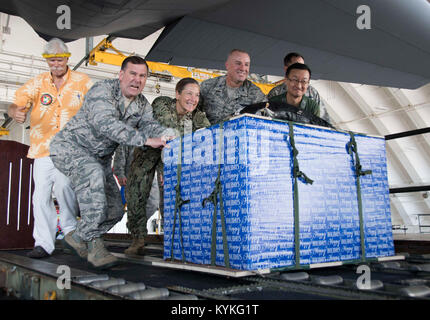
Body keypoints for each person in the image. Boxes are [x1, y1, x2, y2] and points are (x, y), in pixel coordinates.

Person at [49, 56, 176, 269]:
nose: (137, 80)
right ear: (121, 75)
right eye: (132, 74)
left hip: (99, 159)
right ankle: (95, 246)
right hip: (71, 149)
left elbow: (149, 125)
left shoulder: (142, 104)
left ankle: (78, 237)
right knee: (93, 176)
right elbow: (106, 124)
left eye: (142, 76)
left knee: (115, 210)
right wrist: (146, 140)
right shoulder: (103, 91)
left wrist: (167, 135)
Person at [7, 38, 92, 259]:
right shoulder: (37, 83)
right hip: (42, 149)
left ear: (67, 59)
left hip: (70, 150)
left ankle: (71, 233)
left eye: (60, 59)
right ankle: (44, 244)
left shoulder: (83, 82)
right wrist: (14, 111)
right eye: (52, 60)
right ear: (47, 61)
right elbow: (16, 103)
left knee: (65, 189)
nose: (56, 64)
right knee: (40, 196)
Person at [125, 77, 211, 255]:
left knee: (171, 196)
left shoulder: (198, 117)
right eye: (189, 93)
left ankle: (172, 238)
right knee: (137, 194)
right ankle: (138, 238)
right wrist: (168, 167)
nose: (193, 99)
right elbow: (169, 132)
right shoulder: (162, 104)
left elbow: (208, 139)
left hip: (171, 161)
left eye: (197, 95)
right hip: (146, 154)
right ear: (177, 94)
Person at [199, 49, 267, 125]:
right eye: (238, 63)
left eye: (246, 64)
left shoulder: (256, 93)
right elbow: (190, 114)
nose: (243, 68)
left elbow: (266, 121)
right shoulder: (208, 86)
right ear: (227, 65)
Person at [267, 52, 331, 123]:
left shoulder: (313, 94)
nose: (299, 85)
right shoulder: (275, 94)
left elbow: (323, 121)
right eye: (296, 66)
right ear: (286, 70)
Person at [112, 145, 160, 217]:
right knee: (134, 205)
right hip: (132, 177)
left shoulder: (152, 137)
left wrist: (160, 172)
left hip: (149, 176)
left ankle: (137, 224)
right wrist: (120, 175)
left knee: (153, 204)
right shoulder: (127, 138)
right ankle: (135, 224)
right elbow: (120, 157)